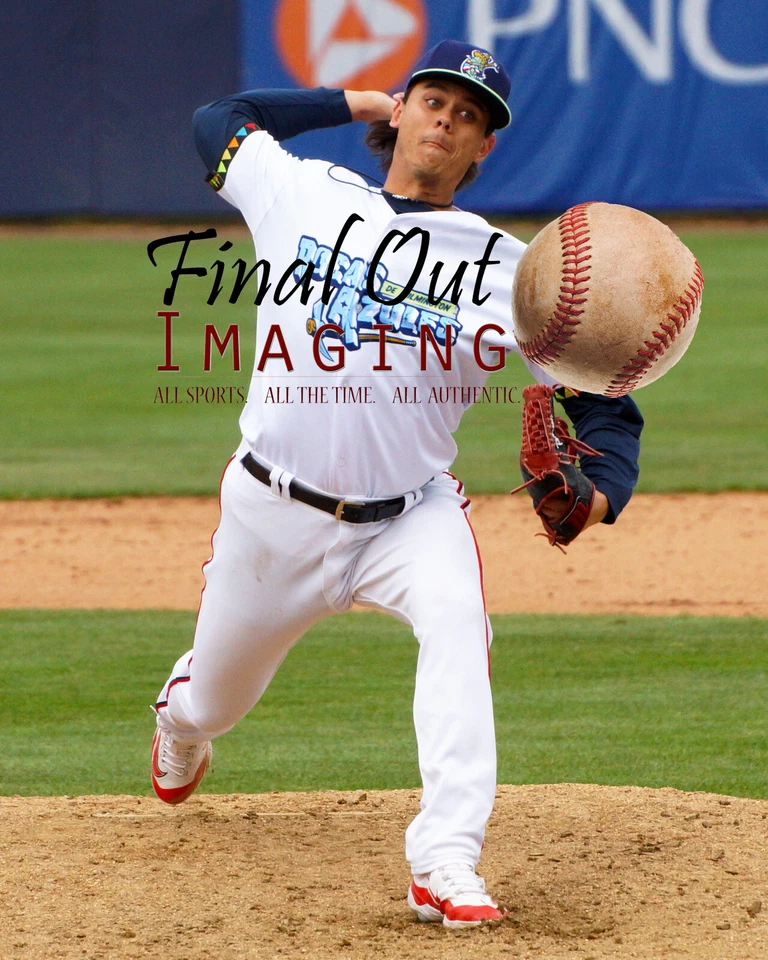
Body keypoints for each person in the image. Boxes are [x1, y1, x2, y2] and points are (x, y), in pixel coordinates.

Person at [151, 40, 643, 929]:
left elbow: (601, 392)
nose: (448, 122)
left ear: (483, 147)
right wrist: (354, 101)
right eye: (434, 102)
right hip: (272, 512)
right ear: (405, 110)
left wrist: (608, 479)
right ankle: (180, 717)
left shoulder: (505, 268)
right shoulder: (302, 192)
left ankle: (445, 862)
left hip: (409, 516)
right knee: (213, 704)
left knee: (461, 626)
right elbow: (215, 123)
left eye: (471, 117)